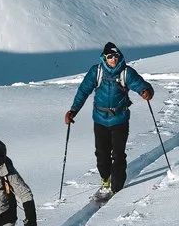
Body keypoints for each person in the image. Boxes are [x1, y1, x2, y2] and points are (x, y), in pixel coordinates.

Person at [66, 41, 154, 199]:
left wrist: (146, 91)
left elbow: (141, 85)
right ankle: (105, 180)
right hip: (100, 120)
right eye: (110, 56)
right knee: (101, 154)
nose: (113, 59)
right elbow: (83, 91)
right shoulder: (96, 72)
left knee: (118, 155)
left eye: (116, 56)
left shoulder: (126, 72)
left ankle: (117, 187)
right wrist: (73, 110)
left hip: (120, 120)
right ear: (104, 57)